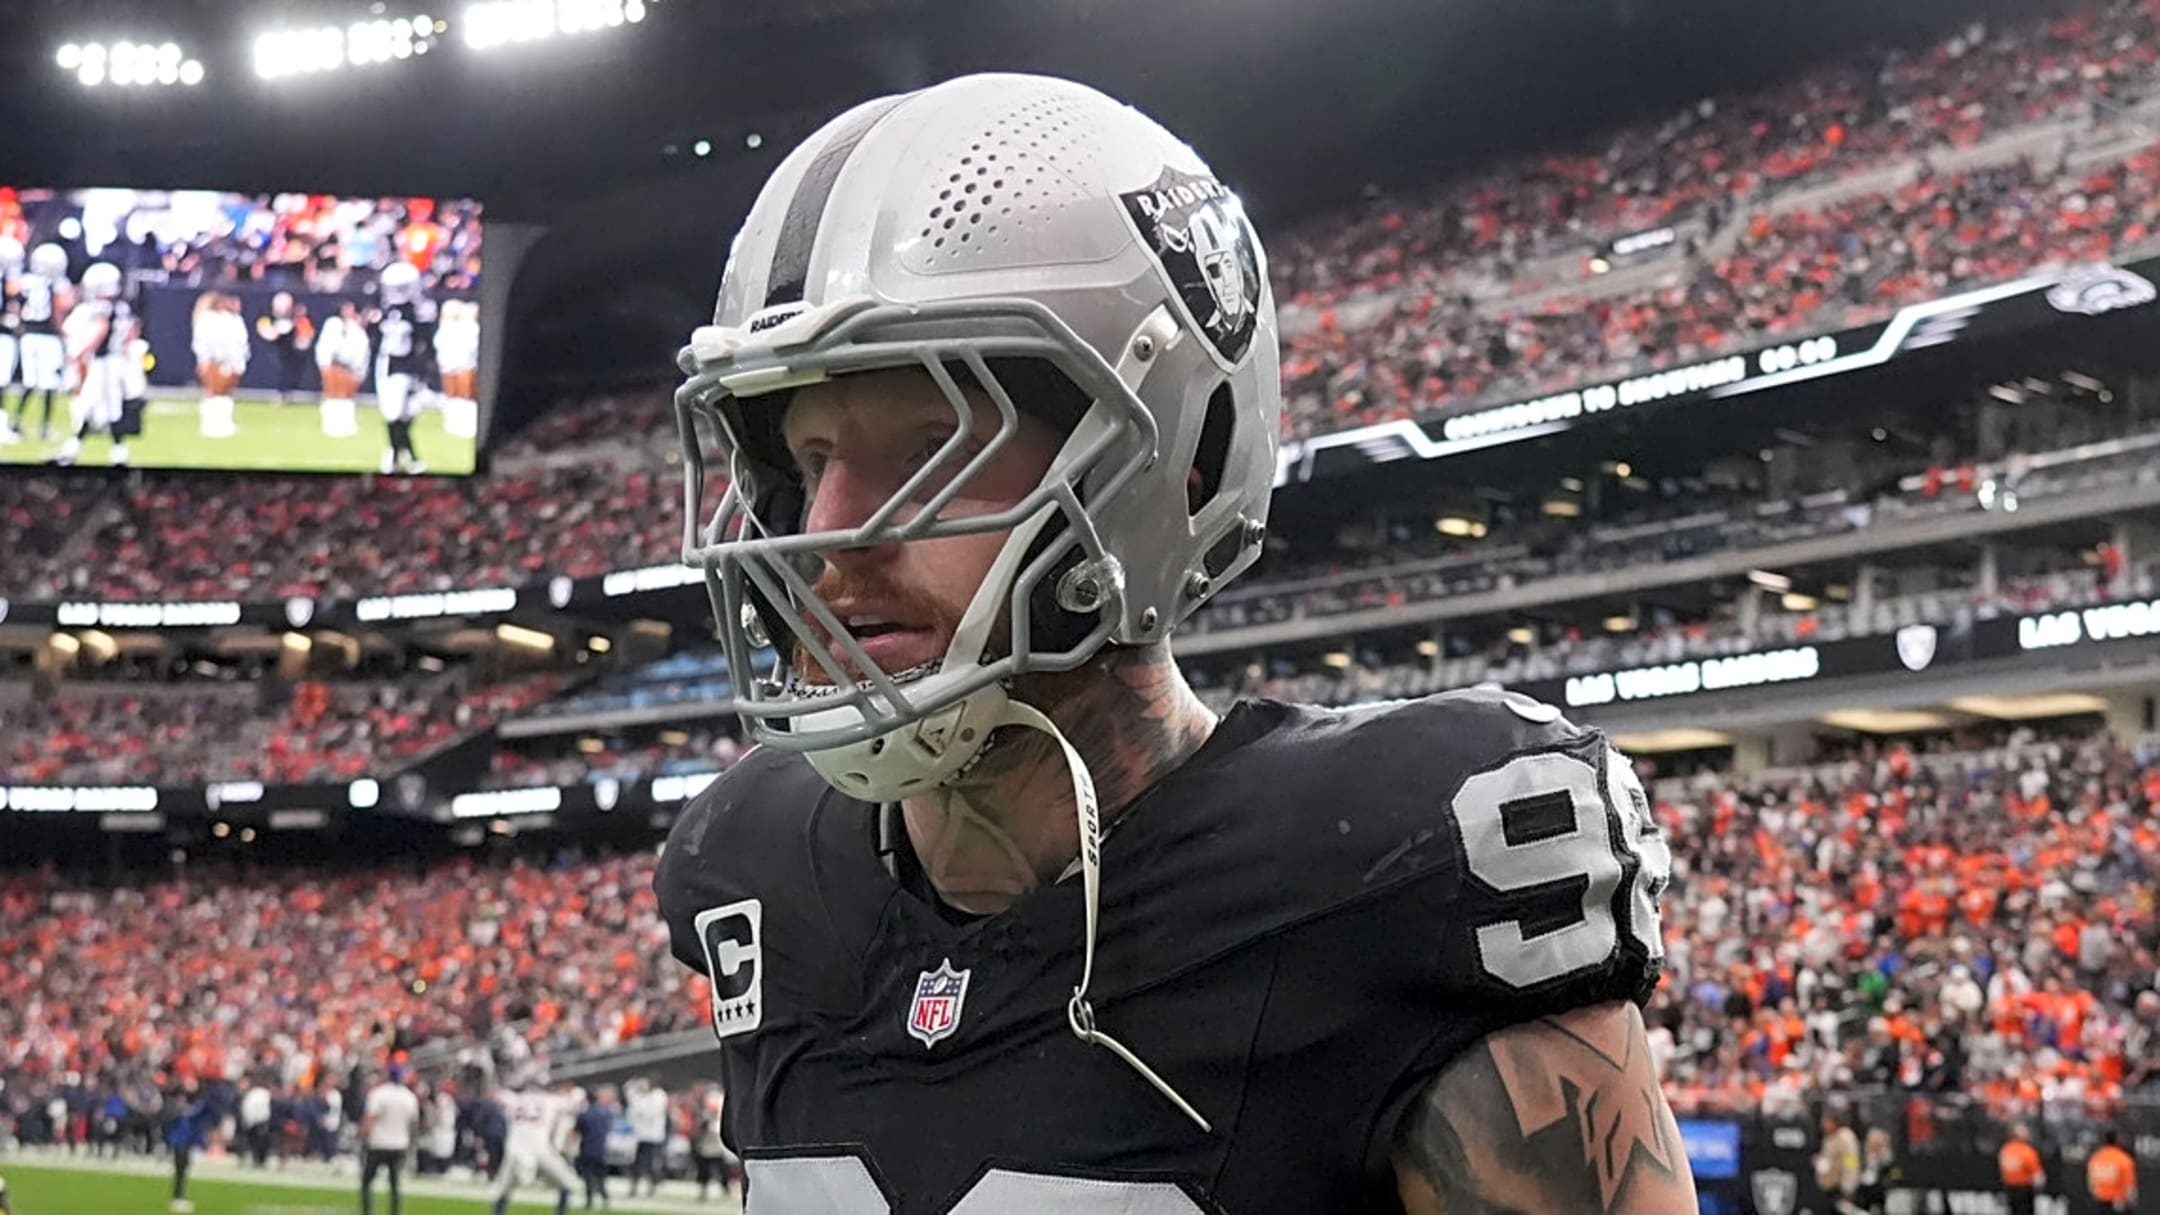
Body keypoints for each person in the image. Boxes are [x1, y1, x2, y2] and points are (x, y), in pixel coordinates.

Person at [653, 72, 1692, 1212]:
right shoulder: (751, 862)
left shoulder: (1402, 871)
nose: (829, 532)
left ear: (1169, 466)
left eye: (926, 446)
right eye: (807, 463)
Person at [491, 1069, 577, 1215]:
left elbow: (496, 1094)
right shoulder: (551, 1100)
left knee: (503, 1188)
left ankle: (498, 1212)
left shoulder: (515, 1099)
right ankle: (561, 1211)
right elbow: (572, 1101)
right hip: (540, 1148)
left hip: (515, 1149)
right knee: (567, 1183)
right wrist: (568, 1090)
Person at [360, 1064, 421, 1215]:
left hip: (379, 1143)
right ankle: (394, 1212)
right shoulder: (409, 1097)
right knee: (395, 1184)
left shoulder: (379, 1094)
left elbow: (370, 1118)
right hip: (399, 1144)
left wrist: (362, 1134)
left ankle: (367, 1211)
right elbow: (413, 1123)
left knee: (367, 1181)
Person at [162, 1082, 208, 1214]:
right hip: (180, 1144)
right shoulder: (177, 1111)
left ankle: (179, 1193)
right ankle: (178, 1194)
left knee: (182, 1171)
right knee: (180, 1170)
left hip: (184, 1143)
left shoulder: (182, 1111)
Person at [572, 1086, 614, 1210]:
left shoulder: (584, 1114)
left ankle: (589, 1201)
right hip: (601, 1149)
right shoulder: (606, 1113)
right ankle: (605, 1198)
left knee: (588, 1177)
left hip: (587, 1148)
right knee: (601, 1177)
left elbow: (576, 1132)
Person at [625, 1078, 668, 1197]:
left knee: (650, 1163)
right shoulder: (639, 1097)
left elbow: (649, 1112)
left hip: (653, 1136)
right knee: (637, 1163)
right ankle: (635, 1186)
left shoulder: (659, 1096)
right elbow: (629, 1092)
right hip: (640, 1136)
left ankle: (652, 1185)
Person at [690, 1090, 732, 1203]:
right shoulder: (705, 1119)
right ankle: (703, 1190)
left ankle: (725, 1188)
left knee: (722, 1171)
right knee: (704, 1173)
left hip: (717, 1149)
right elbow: (698, 1133)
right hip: (706, 1149)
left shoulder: (720, 1120)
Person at [1999, 1123, 2046, 1215]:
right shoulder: (2027, 1151)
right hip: (2024, 1188)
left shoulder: (2005, 1149)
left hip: (2009, 1188)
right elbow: (2038, 1176)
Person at [2088, 1129, 2138, 1214]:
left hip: (2100, 1202)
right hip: (2118, 1203)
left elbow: (2091, 1184)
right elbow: (2129, 1187)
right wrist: (2132, 1202)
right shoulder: (2123, 1159)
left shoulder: (2095, 1158)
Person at [239, 1079, 274, 1167]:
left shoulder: (251, 1095)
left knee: (254, 1143)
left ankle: (255, 1158)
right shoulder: (265, 1094)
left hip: (253, 1122)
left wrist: (248, 1122)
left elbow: (246, 1108)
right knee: (262, 1143)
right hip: (263, 1121)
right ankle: (260, 1160)